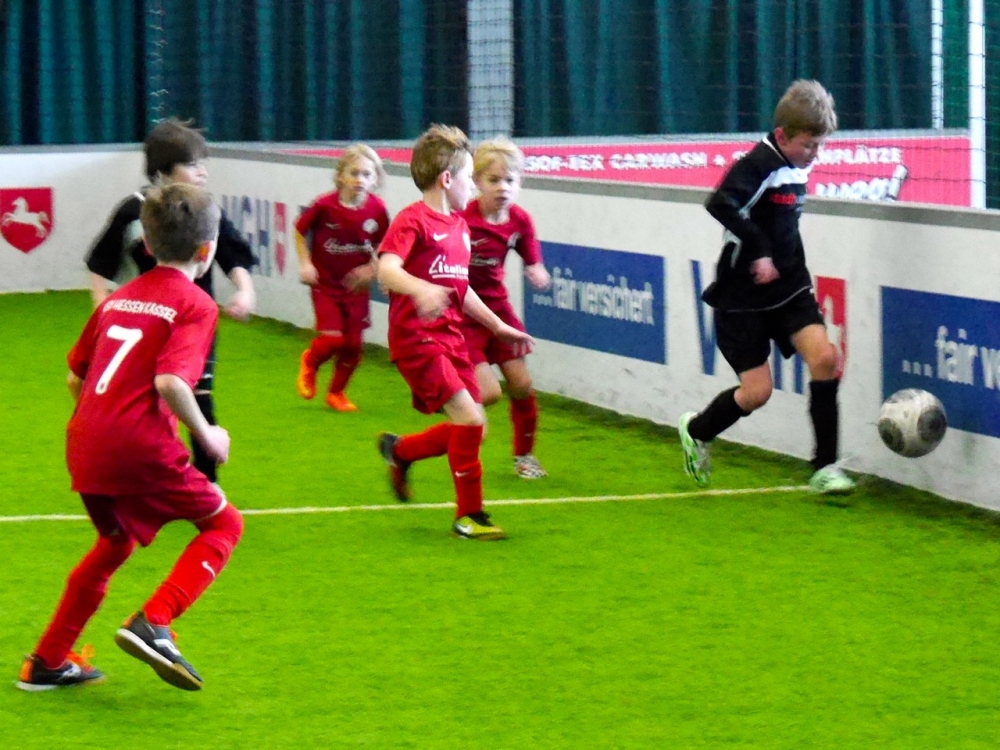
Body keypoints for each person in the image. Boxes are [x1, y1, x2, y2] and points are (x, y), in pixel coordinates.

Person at [16, 184, 245, 693]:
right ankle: (155, 621)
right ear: (207, 250)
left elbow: (75, 377)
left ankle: (47, 661)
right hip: (140, 446)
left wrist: (103, 424)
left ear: (147, 244)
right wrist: (208, 435)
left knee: (114, 544)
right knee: (224, 525)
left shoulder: (117, 299)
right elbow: (171, 382)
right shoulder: (195, 304)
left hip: (85, 444)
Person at [678, 80, 855, 495]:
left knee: (825, 358)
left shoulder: (798, 162)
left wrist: (780, 256)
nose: (815, 154)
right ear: (782, 136)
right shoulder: (758, 163)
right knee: (757, 392)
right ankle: (697, 430)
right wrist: (758, 250)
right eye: (809, 145)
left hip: (789, 285)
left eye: (820, 145)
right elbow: (720, 203)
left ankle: (825, 468)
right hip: (742, 295)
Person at [376, 124, 534, 540]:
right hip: (417, 339)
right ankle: (470, 515)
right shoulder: (412, 220)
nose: (472, 186)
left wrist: (498, 326)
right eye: (468, 177)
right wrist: (421, 288)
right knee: (470, 418)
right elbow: (387, 269)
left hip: (452, 338)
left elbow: (461, 290)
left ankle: (401, 451)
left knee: (474, 425)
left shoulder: (460, 228)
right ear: (448, 179)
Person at [85, 118, 257, 486]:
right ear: (163, 171)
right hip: (145, 324)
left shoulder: (206, 209)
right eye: (192, 165)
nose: (203, 172)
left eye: (203, 163)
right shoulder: (133, 211)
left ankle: (207, 482)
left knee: (199, 396)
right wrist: (101, 304)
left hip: (194, 321)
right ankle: (149, 467)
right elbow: (101, 262)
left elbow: (231, 254)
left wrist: (244, 289)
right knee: (147, 400)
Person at [461, 137, 551, 479]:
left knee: (522, 384)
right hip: (465, 315)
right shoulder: (463, 220)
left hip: (499, 311)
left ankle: (524, 456)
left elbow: (531, 253)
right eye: (494, 180)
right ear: (476, 181)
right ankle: (451, 404)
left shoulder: (519, 220)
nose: (503, 188)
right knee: (488, 393)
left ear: (519, 183)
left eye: (510, 180)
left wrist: (536, 269)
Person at [294, 145, 391, 411]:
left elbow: (385, 244)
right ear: (340, 176)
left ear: (375, 179)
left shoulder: (377, 210)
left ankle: (336, 393)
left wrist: (372, 269)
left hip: (355, 288)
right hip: (325, 285)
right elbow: (300, 230)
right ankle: (310, 361)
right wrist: (305, 263)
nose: (360, 180)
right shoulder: (324, 205)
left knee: (353, 346)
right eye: (354, 173)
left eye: (366, 174)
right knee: (332, 340)